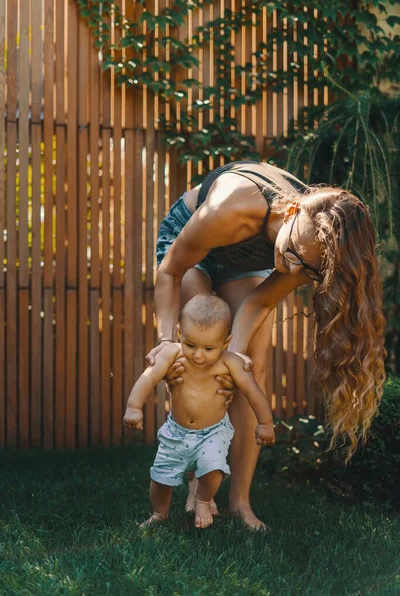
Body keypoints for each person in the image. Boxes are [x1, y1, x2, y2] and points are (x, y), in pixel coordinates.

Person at [146, 160, 386, 530]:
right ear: (291, 212)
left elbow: (259, 302)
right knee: (199, 360)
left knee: (247, 372)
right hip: (190, 244)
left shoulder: (309, 251)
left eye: (305, 271)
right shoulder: (233, 207)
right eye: (295, 259)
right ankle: (195, 480)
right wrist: (165, 342)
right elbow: (171, 271)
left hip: (250, 256)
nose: (292, 273)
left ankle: (240, 502)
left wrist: (235, 357)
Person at [123, 294, 275, 529]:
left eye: (208, 348)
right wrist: (134, 407)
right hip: (176, 431)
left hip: (213, 431)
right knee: (160, 478)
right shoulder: (172, 353)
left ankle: (203, 499)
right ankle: (158, 513)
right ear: (179, 332)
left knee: (213, 469)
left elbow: (252, 391)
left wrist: (265, 423)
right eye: (190, 344)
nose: (198, 355)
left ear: (226, 343)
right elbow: (148, 378)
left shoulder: (231, 362)